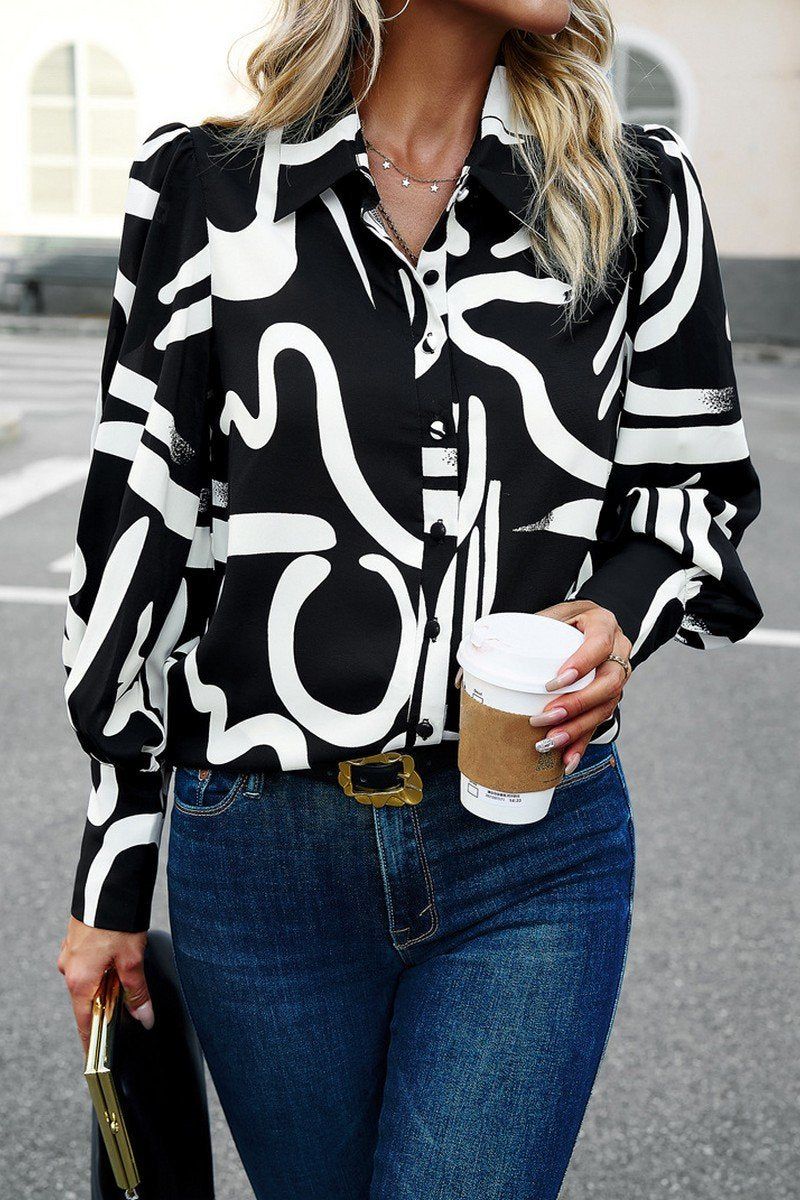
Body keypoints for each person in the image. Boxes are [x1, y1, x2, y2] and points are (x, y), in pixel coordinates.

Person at [57, 2, 762, 1196]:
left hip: (530, 849)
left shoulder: (636, 191)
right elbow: (137, 547)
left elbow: (693, 489)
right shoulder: (204, 190)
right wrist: (108, 884)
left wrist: (618, 610)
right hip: (261, 859)